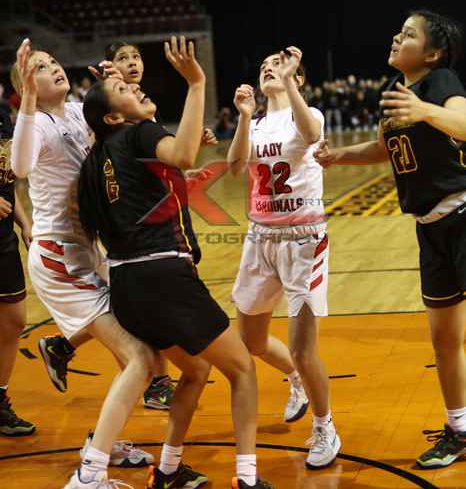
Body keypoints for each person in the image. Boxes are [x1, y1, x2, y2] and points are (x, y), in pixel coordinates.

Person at [78, 36, 274, 489]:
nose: (135, 87)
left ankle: (167, 469)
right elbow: (182, 154)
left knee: (196, 370)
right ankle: (248, 477)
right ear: (114, 117)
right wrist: (197, 83)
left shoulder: (96, 160)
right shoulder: (140, 132)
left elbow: (168, 172)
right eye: (124, 90)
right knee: (242, 369)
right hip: (163, 276)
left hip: (126, 286)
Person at [315, 10, 466, 469]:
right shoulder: (396, 92)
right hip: (429, 228)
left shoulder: (441, 82)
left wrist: (425, 111)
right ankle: (459, 429)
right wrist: (339, 155)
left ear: (432, 53)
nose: (398, 38)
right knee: (443, 339)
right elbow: (385, 148)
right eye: (399, 32)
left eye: (409, 34)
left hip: (462, 214)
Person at [10, 40, 161, 489]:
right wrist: (28, 101)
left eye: (54, 62)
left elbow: (125, 123)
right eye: (40, 67)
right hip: (59, 256)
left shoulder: (77, 112)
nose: (53, 68)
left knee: (136, 356)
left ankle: (103, 442)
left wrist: (115, 84)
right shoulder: (37, 123)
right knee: (140, 358)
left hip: (88, 248)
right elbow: (20, 166)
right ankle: (89, 474)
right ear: (25, 85)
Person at [227, 46, 341, 469]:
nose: (268, 69)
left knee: (304, 349)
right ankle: (295, 380)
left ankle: (325, 427)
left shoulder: (307, 114)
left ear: (297, 76)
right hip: (260, 238)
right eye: (264, 66)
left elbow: (311, 136)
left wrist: (290, 81)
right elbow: (235, 166)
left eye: (277, 64)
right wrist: (242, 117)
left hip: (303, 241)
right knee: (252, 341)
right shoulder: (256, 123)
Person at [103, 40, 216, 412]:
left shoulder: (141, 112)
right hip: (145, 242)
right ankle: (153, 383)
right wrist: (196, 87)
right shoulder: (122, 121)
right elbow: (167, 160)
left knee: (144, 319)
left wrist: (184, 158)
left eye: (136, 56)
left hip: (149, 238)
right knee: (221, 361)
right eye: (122, 58)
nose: (132, 63)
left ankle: (154, 385)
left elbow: (162, 165)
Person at [0, 103, 35, 437]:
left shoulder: (2, 114)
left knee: (14, 320)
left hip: (4, 239)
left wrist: (24, 222)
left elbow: (8, 183)